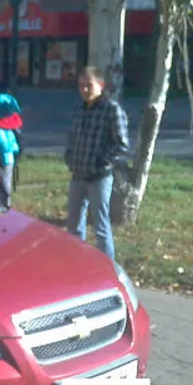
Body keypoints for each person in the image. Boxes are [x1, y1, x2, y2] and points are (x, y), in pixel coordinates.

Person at [64, 65, 130, 260]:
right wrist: (69, 156)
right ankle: (77, 262)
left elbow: (122, 144)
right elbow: (72, 137)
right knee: (74, 225)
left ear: (100, 85)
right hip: (77, 175)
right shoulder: (79, 109)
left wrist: (102, 161)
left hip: (99, 178)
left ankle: (107, 267)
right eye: (81, 85)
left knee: (100, 226)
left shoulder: (111, 109)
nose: (84, 90)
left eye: (89, 86)